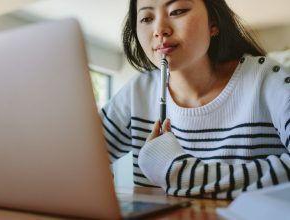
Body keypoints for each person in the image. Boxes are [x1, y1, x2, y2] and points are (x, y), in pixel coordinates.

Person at [100, 0, 290, 199]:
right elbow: (76, 158)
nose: (159, 30)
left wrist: (180, 174)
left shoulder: (267, 79)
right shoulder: (137, 91)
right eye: (146, 18)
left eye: (177, 11)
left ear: (214, 23)